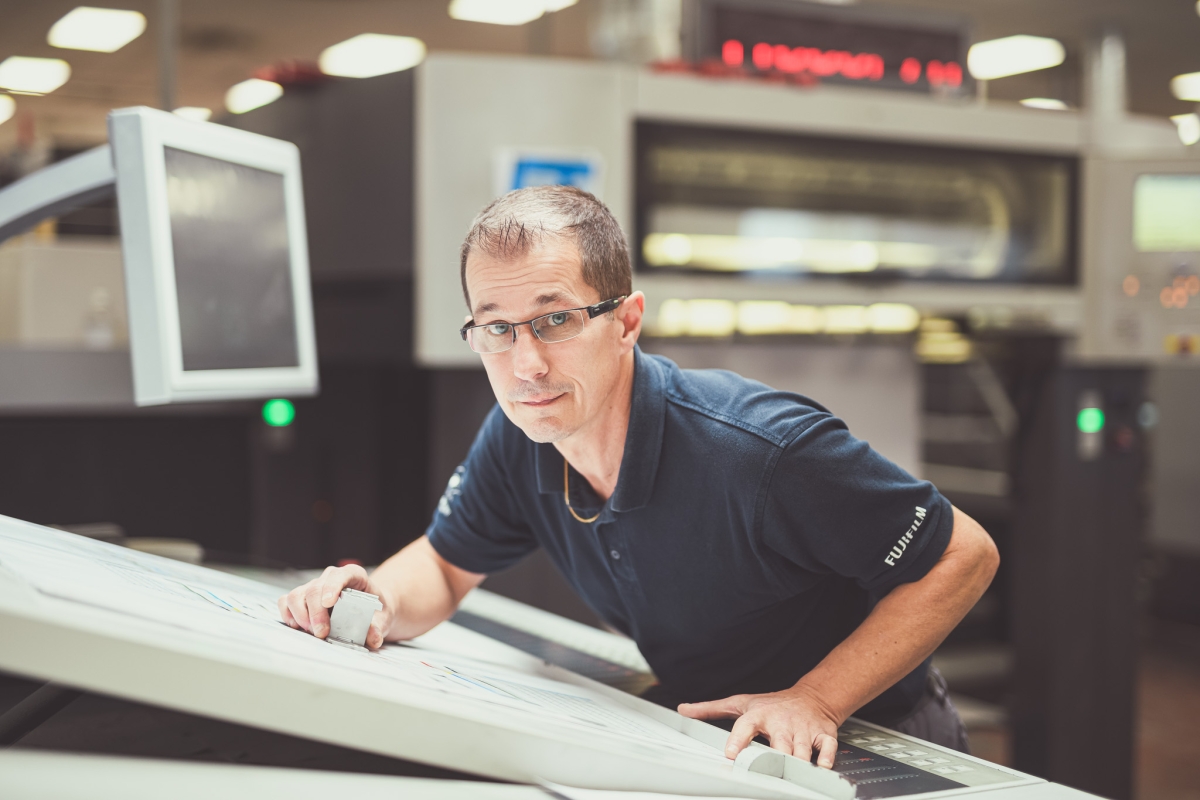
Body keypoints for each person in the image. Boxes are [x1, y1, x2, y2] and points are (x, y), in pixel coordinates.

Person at [280, 185, 999, 767]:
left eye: (554, 319)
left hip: (870, 738)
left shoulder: (758, 451)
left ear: (625, 323)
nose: (525, 365)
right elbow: (443, 564)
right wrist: (373, 596)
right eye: (496, 328)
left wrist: (816, 698)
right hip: (723, 742)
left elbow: (964, 554)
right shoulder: (520, 435)